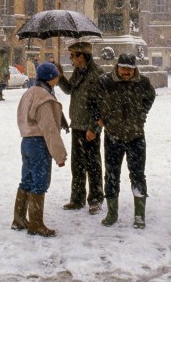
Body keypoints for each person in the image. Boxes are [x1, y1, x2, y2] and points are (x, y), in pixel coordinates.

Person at [96, 53, 156, 229]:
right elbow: (95, 101)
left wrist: (141, 114)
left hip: (136, 136)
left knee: (138, 175)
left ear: (134, 69)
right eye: (123, 68)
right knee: (111, 175)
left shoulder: (143, 83)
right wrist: (103, 118)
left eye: (129, 69)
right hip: (113, 136)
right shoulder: (105, 82)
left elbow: (150, 97)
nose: (126, 72)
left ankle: (139, 214)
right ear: (117, 67)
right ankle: (112, 213)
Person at [11, 61, 67, 237]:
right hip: (39, 143)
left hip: (26, 142)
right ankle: (35, 223)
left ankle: (19, 219)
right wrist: (59, 155)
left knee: (26, 180)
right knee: (40, 182)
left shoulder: (29, 92)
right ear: (51, 78)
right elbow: (49, 129)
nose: (58, 78)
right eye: (57, 75)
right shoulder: (44, 98)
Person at [56, 40, 104, 213]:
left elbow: (101, 104)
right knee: (77, 165)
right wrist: (61, 77)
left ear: (82, 56)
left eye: (73, 56)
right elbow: (69, 90)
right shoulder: (78, 72)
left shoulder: (97, 74)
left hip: (90, 127)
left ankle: (96, 199)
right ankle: (77, 199)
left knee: (93, 165)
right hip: (77, 124)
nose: (71, 59)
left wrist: (94, 128)